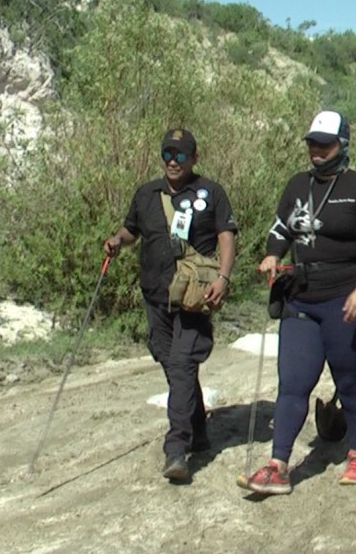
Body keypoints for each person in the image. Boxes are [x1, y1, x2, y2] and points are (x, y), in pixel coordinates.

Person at [239, 110, 356, 495]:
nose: (317, 150)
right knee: (293, 383)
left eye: (325, 143)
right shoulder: (296, 185)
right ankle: (279, 466)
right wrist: (273, 253)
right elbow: (280, 227)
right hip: (301, 299)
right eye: (312, 143)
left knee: (350, 380)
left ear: (343, 144)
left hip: (345, 299)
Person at [103, 128, 237, 481]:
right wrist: (117, 241)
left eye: (180, 155)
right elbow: (132, 230)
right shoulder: (146, 193)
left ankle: (176, 449)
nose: (173, 161)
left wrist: (223, 277)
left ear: (195, 157)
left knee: (181, 364)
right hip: (155, 295)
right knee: (169, 360)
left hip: (194, 297)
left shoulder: (211, 193)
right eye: (167, 154)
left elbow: (227, 236)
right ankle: (199, 429)